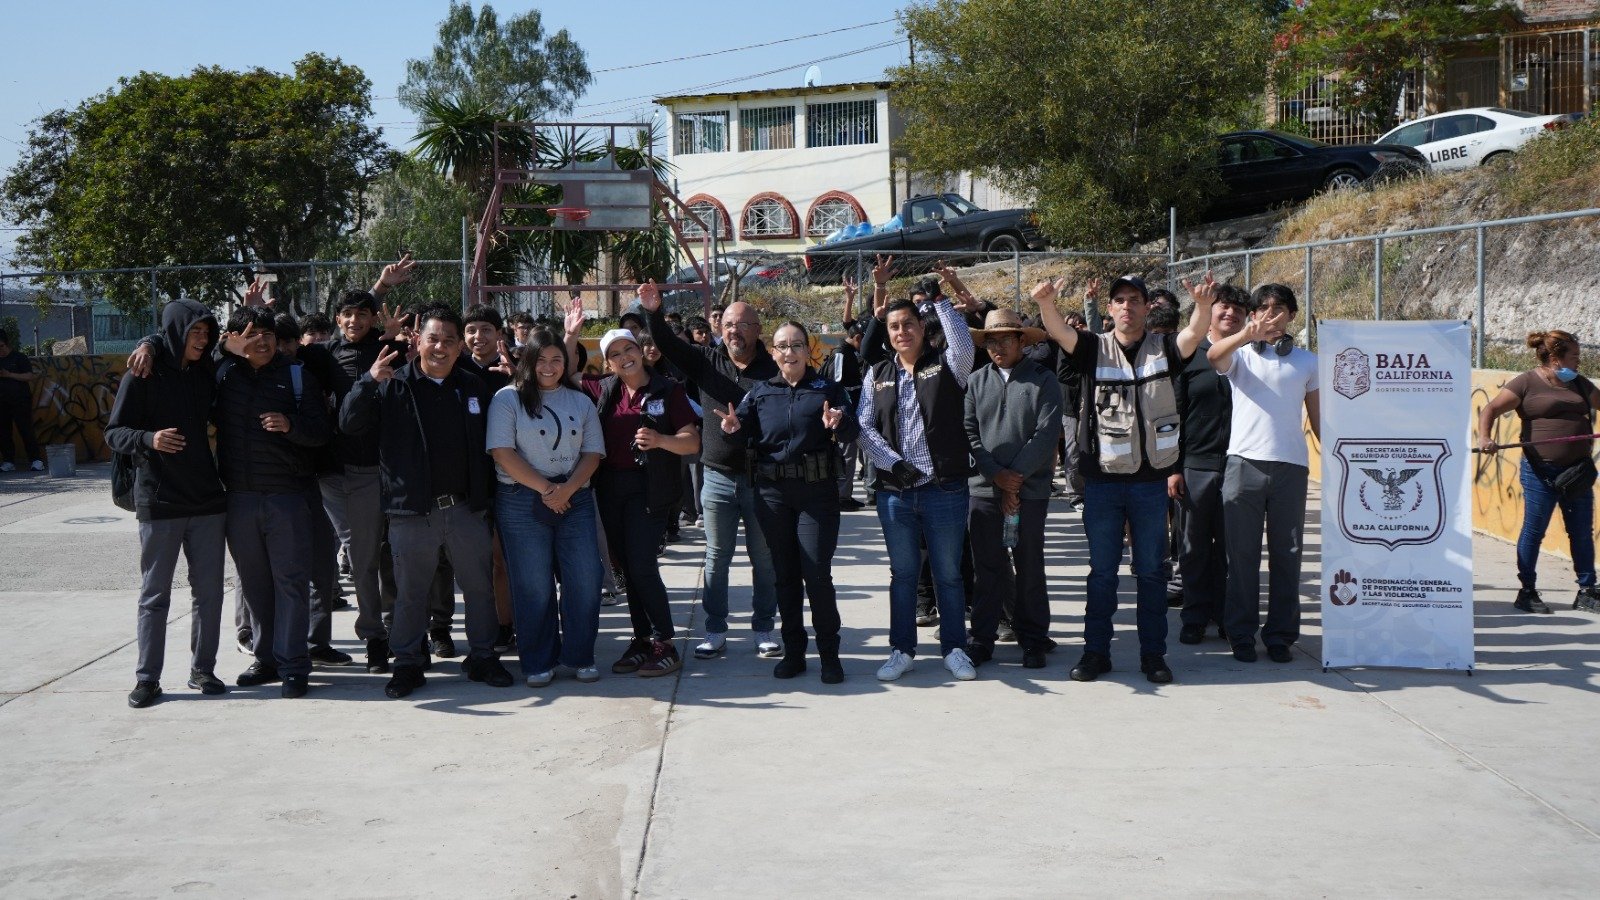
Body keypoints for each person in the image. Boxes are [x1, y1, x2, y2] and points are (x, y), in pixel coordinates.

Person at [1034, 273, 1212, 685]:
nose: (1127, 306)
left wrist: (1202, 305)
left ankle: (1154, 655)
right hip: (1102, 482)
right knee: (1102, 572)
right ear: (1110, 308)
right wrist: (1046, 303)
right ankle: (1096, 653)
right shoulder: (1093, 348)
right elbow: (1060, 332)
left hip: (1151, 483)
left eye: (1135, 299)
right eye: (1119, 300)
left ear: (1147, 308)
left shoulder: (1165, 348)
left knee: (1152, 571)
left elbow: (1193, 335)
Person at [340, 304, 515, 698]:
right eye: (433, 339)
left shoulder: (474, 386)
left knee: (479, 589)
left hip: (466, 509)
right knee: (410, 593)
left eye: (449, 341)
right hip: (411, 513)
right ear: (418, 341)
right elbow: (349, 424)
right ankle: (407, 663)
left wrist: (518, 382)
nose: (440, 347)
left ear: (459, 347)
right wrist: (368, 381)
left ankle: (483, 656)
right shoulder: (391, 383)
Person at [632, 282, 782, 661]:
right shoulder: (706, 361)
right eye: (729, 323)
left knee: (764, 558)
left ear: (758, 329)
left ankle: (764, 627)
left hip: (762, 479)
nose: (735, 330)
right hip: (716, 477)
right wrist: (652, 312)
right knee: (717, 557)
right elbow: (667, 344)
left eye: (744, 324)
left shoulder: (775, 368)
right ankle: (715, 629)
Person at [714, 320, 858, 683]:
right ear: (773, 352)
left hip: (816, 494)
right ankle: (794, 652)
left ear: (807, 351)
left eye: (796, 345)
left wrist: (838, 423)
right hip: (772, 495)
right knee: (785, 576)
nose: (789, 352)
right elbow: (739, 429)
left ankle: (829, 655)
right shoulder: (761, 392)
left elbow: (853, 429)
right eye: (782, 346)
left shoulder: (828, 389)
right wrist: (732, 429)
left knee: (816, 573)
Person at [104, 300, 229, 707]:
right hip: (159, 499)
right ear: (177, 332)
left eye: (206, 333)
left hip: (207, 499)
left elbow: (232, 350)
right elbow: (114, 432)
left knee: (209, 592)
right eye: (195, 332)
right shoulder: (142, 374)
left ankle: (203, 669)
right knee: (155, 595)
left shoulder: (205, 372)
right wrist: (148, 439)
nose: (203, 339)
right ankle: (147, 679)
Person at [568, 315, 700, 676]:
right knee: (627, 567)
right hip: (611, 488)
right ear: (607, 362)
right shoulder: (605, 389)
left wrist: (661, 440)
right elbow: (565, 373)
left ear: (641, 351)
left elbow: (692, 440)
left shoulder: (667, 389)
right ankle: (642, 640)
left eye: (629, 348)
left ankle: (664, 642)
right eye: (615, 353)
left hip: (650, 488)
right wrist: (570, 335)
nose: (624, 356)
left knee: (642, 564)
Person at [857, 292, 979, 683]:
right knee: (904, 574)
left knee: (948, 574)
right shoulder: (876, 374)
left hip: (944, 489)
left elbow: (962, 344)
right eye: (894, 327)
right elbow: (864, 426)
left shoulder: (947, 365)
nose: (901, 332)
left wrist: (939, 301)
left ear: (923, 328)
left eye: (908, 323)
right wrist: (893, 464)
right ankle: (902, 650)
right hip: (896, 493)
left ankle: (955, 649)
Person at [214, 305, 330, 698]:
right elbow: (187, 376)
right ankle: (266, 659)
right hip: (240, 499)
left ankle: (295, 665)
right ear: (235, 340)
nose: (260, 340)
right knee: (254, 584)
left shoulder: (297, 377)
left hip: (287, 497)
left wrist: (290, 425)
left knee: (291, 583)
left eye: (266, 332)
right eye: (249, 333)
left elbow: (321, 432)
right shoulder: (223, 376)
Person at [1207, 283, 1320, 663]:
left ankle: (1281, 636)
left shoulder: (1307, 362)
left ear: (1291, 315)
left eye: (1279, 309)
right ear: (1253, 314)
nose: (1270, 316)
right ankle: (1241, 634)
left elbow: (1320, 422)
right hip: (1243, 464)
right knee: (1242, 557)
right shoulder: (1241, 356)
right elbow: (1213, 356)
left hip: (1291, 467)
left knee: (1288, 556)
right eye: (1263, 309)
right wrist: (1244, 335)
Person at [488, 332, 607, 686]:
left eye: (557, 360)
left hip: (576, 498)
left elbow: (593, 453)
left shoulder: (580, 402)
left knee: (586, 579)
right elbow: (501, 452)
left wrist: (566, 489)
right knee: (533, 585)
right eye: (541, 360)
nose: (549, 367)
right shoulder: (507, 399)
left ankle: (579, 654)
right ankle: (538, 659)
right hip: (522, 500)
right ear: (528, 361)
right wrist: (545, 489)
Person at [962, 309, 1062, 670]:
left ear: (1022, 341)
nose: (997, 346)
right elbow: (970, 433)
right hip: (984, 491)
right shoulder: (975, 381)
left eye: (1005, 338)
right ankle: (982, 638)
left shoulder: (1043, 379)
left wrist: (1015, 478)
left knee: (1030, 565)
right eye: (991, 340)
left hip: (1030, 491)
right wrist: (996, 477)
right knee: (986, 568)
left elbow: (1047, 433)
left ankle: (1033, 639)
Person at [1478, 330, 1600, 615]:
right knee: (1534, 531)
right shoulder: (1526, 383)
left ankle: (1587, 590)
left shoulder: (1580, 384)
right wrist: (1485, 438)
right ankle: (1527, 591)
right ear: (1555, 358)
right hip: (1539, 472)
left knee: (1582, 532)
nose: (1579, 361)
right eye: (1575, 356)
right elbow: (1491, 410)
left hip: (1578, 473)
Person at [1172, 284, 1250, 645]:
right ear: (1209, 312)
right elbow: (1172, 413)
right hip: (1195, 465)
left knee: (1231, 548)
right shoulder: (1188, 353)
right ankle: (1195, 615)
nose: (1230, 313)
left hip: (1241, 464)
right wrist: (1173, 467)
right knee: (1194, 546)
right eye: (1223, 307)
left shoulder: (1252, 355)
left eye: (1237, 308)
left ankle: (1225, 616)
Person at [0, 328, 44, 473]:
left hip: (20, 400)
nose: (1, 351)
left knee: (25, 430)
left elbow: (29, 376)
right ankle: (8, 461)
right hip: (2, 402)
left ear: (7, 344)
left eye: (1, 347)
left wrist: (9, 374)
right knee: (4, 432)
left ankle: (36, 460)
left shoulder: (19, 358)